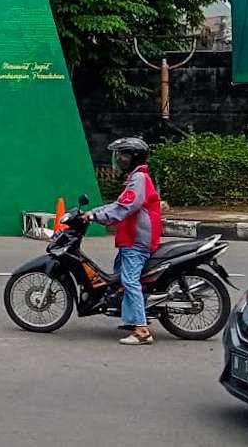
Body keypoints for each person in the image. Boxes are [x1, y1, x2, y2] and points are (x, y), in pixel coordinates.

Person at [82, 137, 162, 346]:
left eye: (123, 155)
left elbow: (123, 208)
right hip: (130, 239)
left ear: (134, 157)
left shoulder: (139, 179)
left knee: (129, 281)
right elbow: (119, 204)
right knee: (119, 279)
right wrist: (95, 212)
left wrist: (94, 216)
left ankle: (142, 331)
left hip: (137, 241)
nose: (119, 159)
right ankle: (130, 317)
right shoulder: (135, 178)